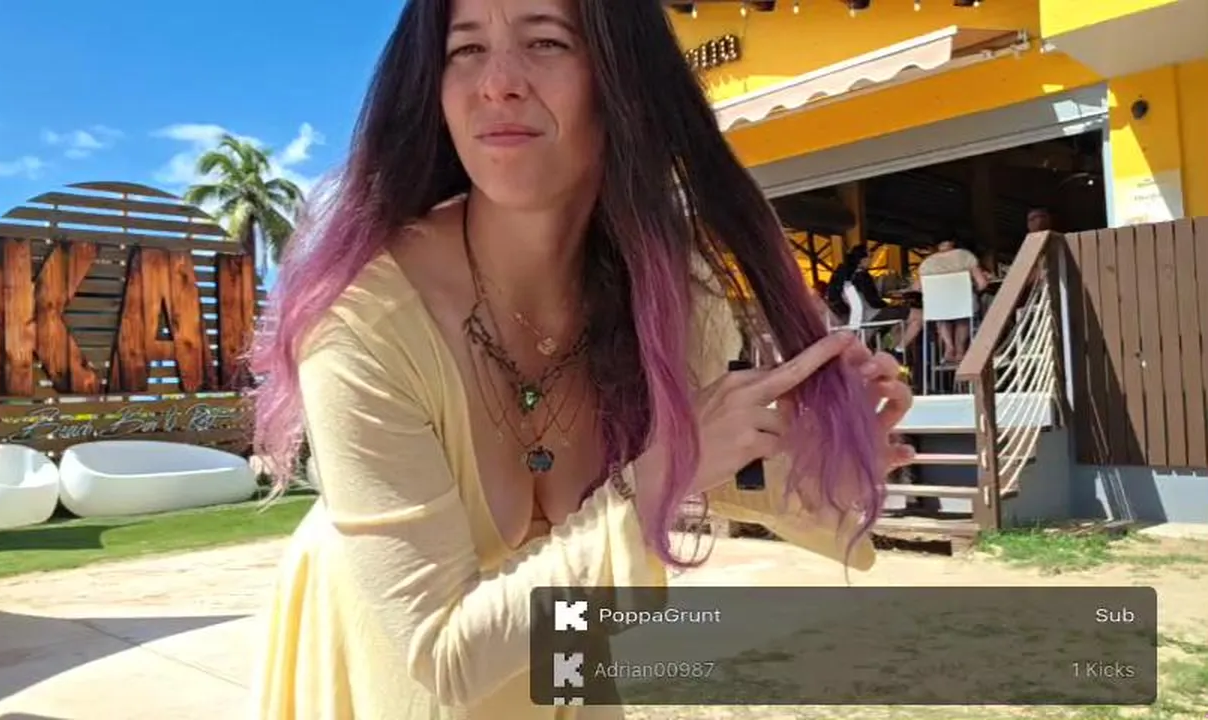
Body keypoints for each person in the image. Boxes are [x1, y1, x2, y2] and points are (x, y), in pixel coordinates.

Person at [247, 1, 914, 717]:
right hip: (391, 677)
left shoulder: (670, 296)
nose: (497, 82)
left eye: (545, 41)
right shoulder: (362, 323)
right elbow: (443, 654)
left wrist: (820, 455)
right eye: (464, 50)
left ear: (621, 78)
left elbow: (711, 471)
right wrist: (662, 471)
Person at [895, 236, 989, 363]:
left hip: (939, 309)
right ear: (953, 243)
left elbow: (917, 288)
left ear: (936, 245)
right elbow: (982, 283)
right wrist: (973, 289)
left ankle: (949, 347)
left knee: (941, 316)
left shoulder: (927, 263)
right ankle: (960, 350)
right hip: (963, 305)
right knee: (964, 316)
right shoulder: (966, 256)